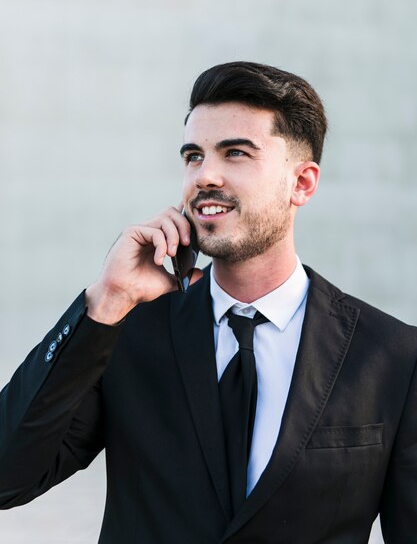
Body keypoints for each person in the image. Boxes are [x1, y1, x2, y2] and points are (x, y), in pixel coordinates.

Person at [0, 62, 416, 544]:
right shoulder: (126, 329)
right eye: (193, 156)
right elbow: (9, 477)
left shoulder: (390, 356)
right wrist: (106, 299)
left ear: (302, 183)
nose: (205, 175)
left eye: (235, 153)